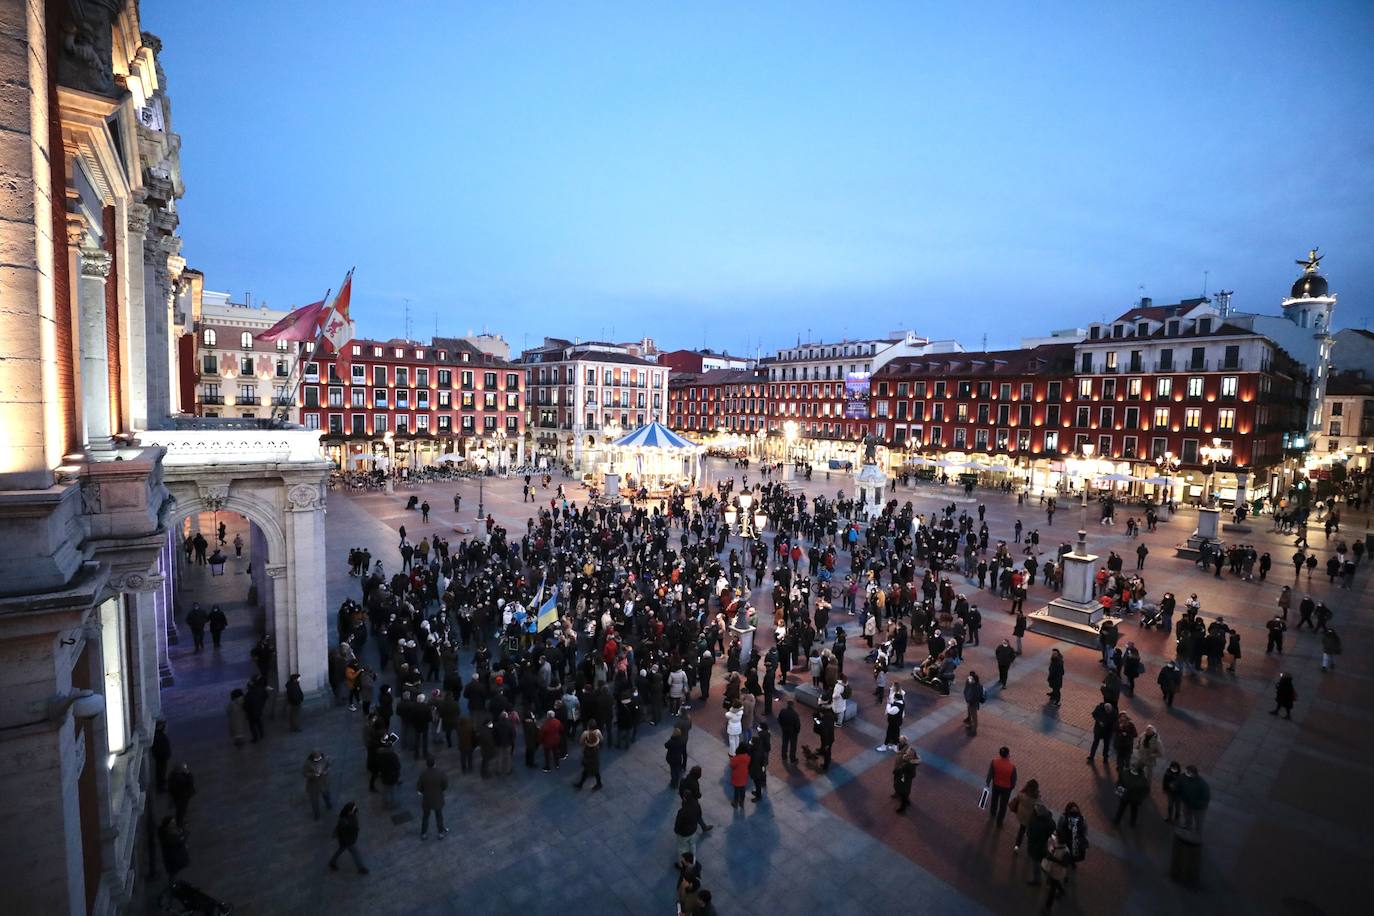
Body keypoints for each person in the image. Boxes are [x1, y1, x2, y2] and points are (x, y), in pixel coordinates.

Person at [327, 802, 369, 874]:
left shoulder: (349, 816)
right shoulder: (344, 821)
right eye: (353, 809)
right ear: (349, 811)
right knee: (355, 853)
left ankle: (332, 862)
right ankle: (361, 868)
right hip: (348, 840)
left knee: (340, 850)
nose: (355, 810)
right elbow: (345, 831)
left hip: (347, 840)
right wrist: (354, 829)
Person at [416, 756, 449, 840]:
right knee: (439, 816)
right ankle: (440, 833)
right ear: (434, 763)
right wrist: (440, 790)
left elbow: (419, 788)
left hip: (427, 800)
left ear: (427, 764)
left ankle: (424, 833)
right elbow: (445, 785)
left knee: (425, 816)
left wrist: (423, 792)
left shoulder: (423, 774)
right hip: (438, 798)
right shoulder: (440, 773)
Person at [985, 745, 1018, 827]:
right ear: (1008, 754)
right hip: (1006, 788)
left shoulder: (994, 762)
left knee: (994, 800)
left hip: (996, 785)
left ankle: (993, 813)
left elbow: (990, 773)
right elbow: (1013, 780)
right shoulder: (1012, 767)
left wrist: (988, 782)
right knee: (1003, 805)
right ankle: (999, 822)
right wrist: (1012, 787)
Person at [1112, 762, 1149, 827]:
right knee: (1130, 809)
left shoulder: (1127, 773)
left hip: (1129, 797)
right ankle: (1130, 822)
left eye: (1133, 766)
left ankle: (1118, 821)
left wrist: (1119, 786)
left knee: (1123, 808)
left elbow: (1120, 780)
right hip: (1132, 797)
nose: (1132, 767)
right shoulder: (1142, 778)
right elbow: (1145, 790)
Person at [1011, 778, 1041, 852]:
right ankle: (1029, 846)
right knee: (1027, 830)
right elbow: (1038, 805)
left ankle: (1017, 846)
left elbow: (1018, 796)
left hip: (1021, 814)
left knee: (1021, 829)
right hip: (1029, 817)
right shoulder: (1036, 798)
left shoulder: (1023, 795)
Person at [892, 737, 921, 813]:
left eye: (908, 754)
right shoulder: (908, 760)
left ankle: (903, 808)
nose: (906, 754)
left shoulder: (909, 764)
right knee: (902, 791)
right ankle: (903, 799)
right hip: (903, 777)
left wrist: (900, 773)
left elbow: (911, 774)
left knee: (903, 793)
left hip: (904, 780)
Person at [303, 750, 333, 821]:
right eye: (316, 757)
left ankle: (328, 804)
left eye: (319, 757)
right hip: (313, 784)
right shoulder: (308, 763)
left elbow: (328, 766)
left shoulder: (324, 759)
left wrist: (326, 771)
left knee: (326, 794)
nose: (318, 758)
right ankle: (316, 814)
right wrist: (314, 775)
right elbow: (305, 773)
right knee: (314, 801)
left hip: (323, 782)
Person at [158, 815, 190, 883]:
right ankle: (172, 883)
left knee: (173, 872)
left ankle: (172, 881)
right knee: (172, 872)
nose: (174, 824)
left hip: (174, 856)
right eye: (172, 823)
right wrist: (184, 833)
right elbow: (179, 841)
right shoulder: (168, 837)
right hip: (173, 858)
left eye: (174, 822)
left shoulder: (170, 831)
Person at [1178, 765, 1209, 833]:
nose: (1186, 773)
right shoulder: (1184, 777)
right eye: (1186, 771)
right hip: (1187, 803)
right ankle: (1187, 826)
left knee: (1198, 820)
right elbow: (1179, 782)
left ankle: (1197, 833)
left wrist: (1197, 804)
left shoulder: (1202, 784)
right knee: (1187, 815)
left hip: (1198, 808)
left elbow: (1206, 798)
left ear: (1194, 773)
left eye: (1188, 772)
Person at [574, 718, 603, 790]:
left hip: (588, 751)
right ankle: (598, 783)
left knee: (587, 768)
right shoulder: (598, 732)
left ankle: (581, 784)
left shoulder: (585, 733)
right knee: (595, 767)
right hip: (595, 750)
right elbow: (602, 739)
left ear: (588, 726)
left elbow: (580, 742)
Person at [166, 762, 195, 827]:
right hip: (182, 798)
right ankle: (180, 824)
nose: (186, 770)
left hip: (179, 797)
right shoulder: (179, 778)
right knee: (181, 811)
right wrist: (189, 774)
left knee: (180, 811)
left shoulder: (173, 775)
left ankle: (180, 821)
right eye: (185, 768)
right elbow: (190, 783)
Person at [729, 744, 751, 809]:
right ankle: (742, 802)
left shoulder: (736, 758)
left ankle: (735, 803)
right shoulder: (748, 757)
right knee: (742, 789)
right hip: (744, 775)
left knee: (736, 790)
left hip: (737, 776)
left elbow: (731, 766)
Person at [151, 720, 171, 792]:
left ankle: (161, 783)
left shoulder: (158, 735)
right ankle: (160, 786)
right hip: (161, 757)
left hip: (162, 756)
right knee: (161, 771)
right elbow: (159, 747)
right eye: (162, 725)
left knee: (162, 770)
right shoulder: (158, 735)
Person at [963, 672, 985, 736]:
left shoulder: (976, 687)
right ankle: (972, 726)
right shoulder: (975, 685)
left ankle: (974, 731)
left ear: (974, 680)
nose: (969, 680)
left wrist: (970, 702)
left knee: (974, 717)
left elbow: (975, 697)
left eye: (971, 679)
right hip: (971, 702)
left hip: (973, 704)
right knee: (972, 715)